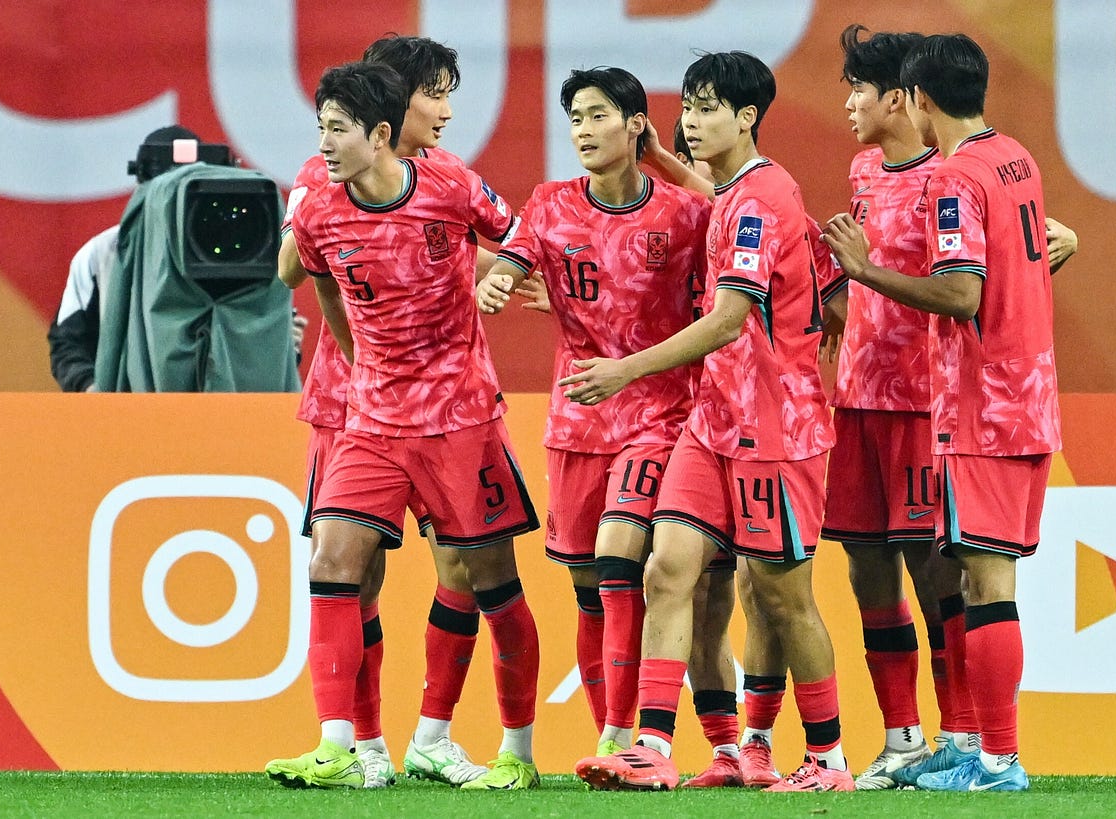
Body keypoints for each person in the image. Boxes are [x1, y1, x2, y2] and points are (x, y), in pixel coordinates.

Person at [567, 51, 854, 793]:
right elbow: (716, 202)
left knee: (782, 595)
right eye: (687, 106)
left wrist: (628, 367)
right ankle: (653, 747)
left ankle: (827, 759)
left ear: (747, 116)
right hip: (712, 422)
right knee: (668, 570)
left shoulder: (762, 198)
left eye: (707, 108)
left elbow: (729, 319)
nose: (692, 121)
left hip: (773, 428)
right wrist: (662, 157)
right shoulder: (735, 191)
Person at [264, 60, 541, 791]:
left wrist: (503, 275)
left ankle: (516, 749)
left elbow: (519, 233)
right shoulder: (319, 205)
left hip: (460, 421)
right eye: (320, 127)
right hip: (372, 421)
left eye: (336, 128)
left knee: (492, 583)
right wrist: (362, 366)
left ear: (380, 133)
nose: (324, 142)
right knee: (334, 564)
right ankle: (344, 747)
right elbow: (316, 277)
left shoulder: (449, 184)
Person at [476, 67, 747, 779]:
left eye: (599, 116)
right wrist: (499, 279)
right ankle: (612, 738)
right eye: (575, 118)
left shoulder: (683, 215)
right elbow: (512, 254)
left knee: (621, 556)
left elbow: (739, 205)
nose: (584, 130)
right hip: (578, 417)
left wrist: (663, 158)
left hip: (662, 413)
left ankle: (631, 735)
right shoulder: (550, 204)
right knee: (588, 587)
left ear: (635, 125)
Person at [821, 33, 1061, 793]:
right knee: (916, 571)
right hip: (1004, 396)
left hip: (971, 404)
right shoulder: (1014, 155)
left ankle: (990, 753)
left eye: (860, 87)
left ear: (914, 99)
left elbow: (963, 291)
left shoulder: (954, 177)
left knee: (972, 581)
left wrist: (866, 270)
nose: (850, 102)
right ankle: (950, 746)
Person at [48, 125, 305, 392]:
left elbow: (262, 351)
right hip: (132, 420)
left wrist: (285, 347)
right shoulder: (103, 252)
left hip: (238, 418)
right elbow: (67, 344)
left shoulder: (248, 247)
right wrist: (97, 395)